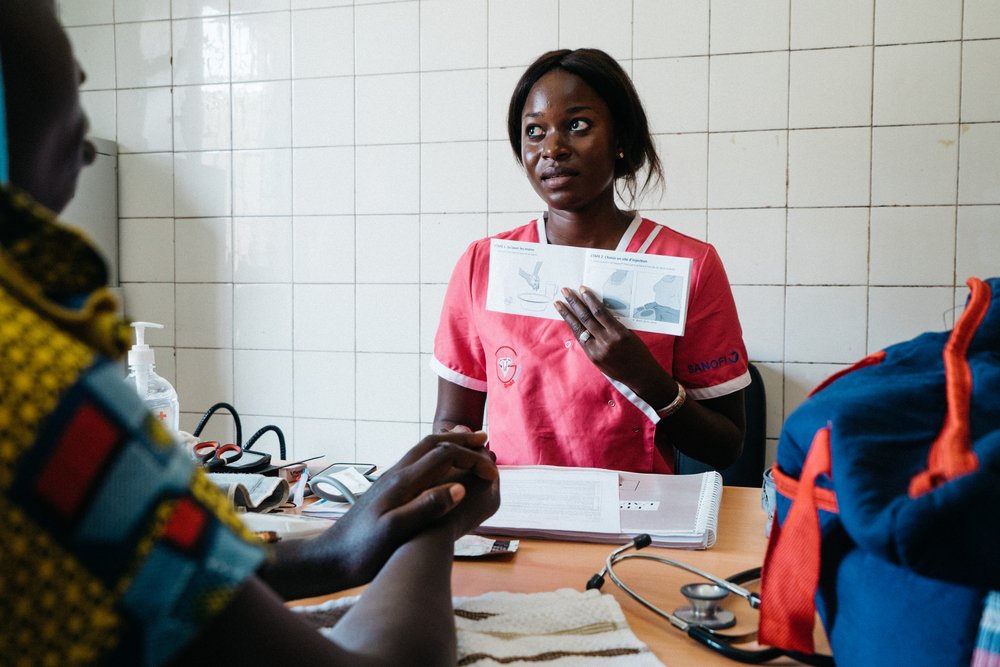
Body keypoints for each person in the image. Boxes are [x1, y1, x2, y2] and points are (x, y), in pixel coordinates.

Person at [0, 2, 499, 665]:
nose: (89, 141)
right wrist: (435, 526)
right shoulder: (41, 388)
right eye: (76, 96)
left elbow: (168, 580)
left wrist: (334, 547)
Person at [432, 48, 750, 474]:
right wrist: (459, 453)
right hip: (514, 522)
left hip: (636, 527)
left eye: (577, 126)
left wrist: (646, 379)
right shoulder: (484, 264)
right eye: (534, 131)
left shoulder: (688, 264)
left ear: (621, 138)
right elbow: (454, 423)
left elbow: (726, 447)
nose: (553, 148)